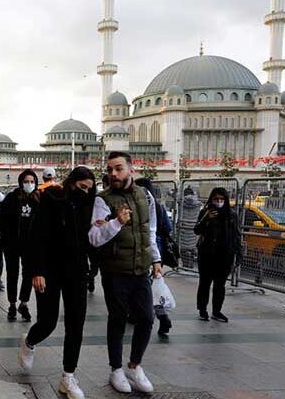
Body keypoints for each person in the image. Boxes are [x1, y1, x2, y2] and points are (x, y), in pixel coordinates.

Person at [19, 166, 96, 399]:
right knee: (48, 321)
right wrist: (37, 271)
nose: (85, 192)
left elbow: (92, 239)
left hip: (77, 271)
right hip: (50, 270)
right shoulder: (52, 200)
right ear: (71, 183)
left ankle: (68, 376)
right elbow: (37, 237)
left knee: (76, 324)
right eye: (81, 187)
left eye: (89, 189)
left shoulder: (90, 206)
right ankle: (30, 341)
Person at [88, 151, 162, 394]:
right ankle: (116, 369)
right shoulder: (103, 200)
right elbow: (95, 238)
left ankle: (134, 365)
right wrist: (116, 222)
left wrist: (156, 259)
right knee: (118, 320)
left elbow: (150, 230)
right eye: (110, 169)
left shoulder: (145, 195)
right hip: (115, 270)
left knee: (147, 318)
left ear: (131, 168)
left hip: (141, 269)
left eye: (118, 168)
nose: (113, 174)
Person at [194, 187, 242, 323]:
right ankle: (202, 310)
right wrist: (206, 219)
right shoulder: (205, 212)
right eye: (216, 199)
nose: (219, 202)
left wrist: (238, 253)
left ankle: (217, 311)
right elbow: (197, 230)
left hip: (225, 255)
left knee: (220, 285)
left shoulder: (231, 215)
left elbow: (236, 235)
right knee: (204, 283)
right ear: (211, 199)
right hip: (207, 254)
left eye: (222, 199)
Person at [135, 178, 174, 339]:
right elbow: (168, 227)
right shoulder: (158, 206)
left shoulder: (136, 205)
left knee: (145, 287)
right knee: (155, 286)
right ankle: (162, 315)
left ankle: (153, 315)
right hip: (157, 252)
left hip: (144, 252)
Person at [0, 169, 39, 322]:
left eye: (32, 181)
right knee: (12, 274)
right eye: (26, 181)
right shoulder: (12, 198)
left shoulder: (38, 199)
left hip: (30, 245)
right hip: (12, 244)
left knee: (28, 274)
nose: (29, 184)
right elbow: (1, 218)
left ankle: (24, 302)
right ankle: (12, 304)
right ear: (21, 182)